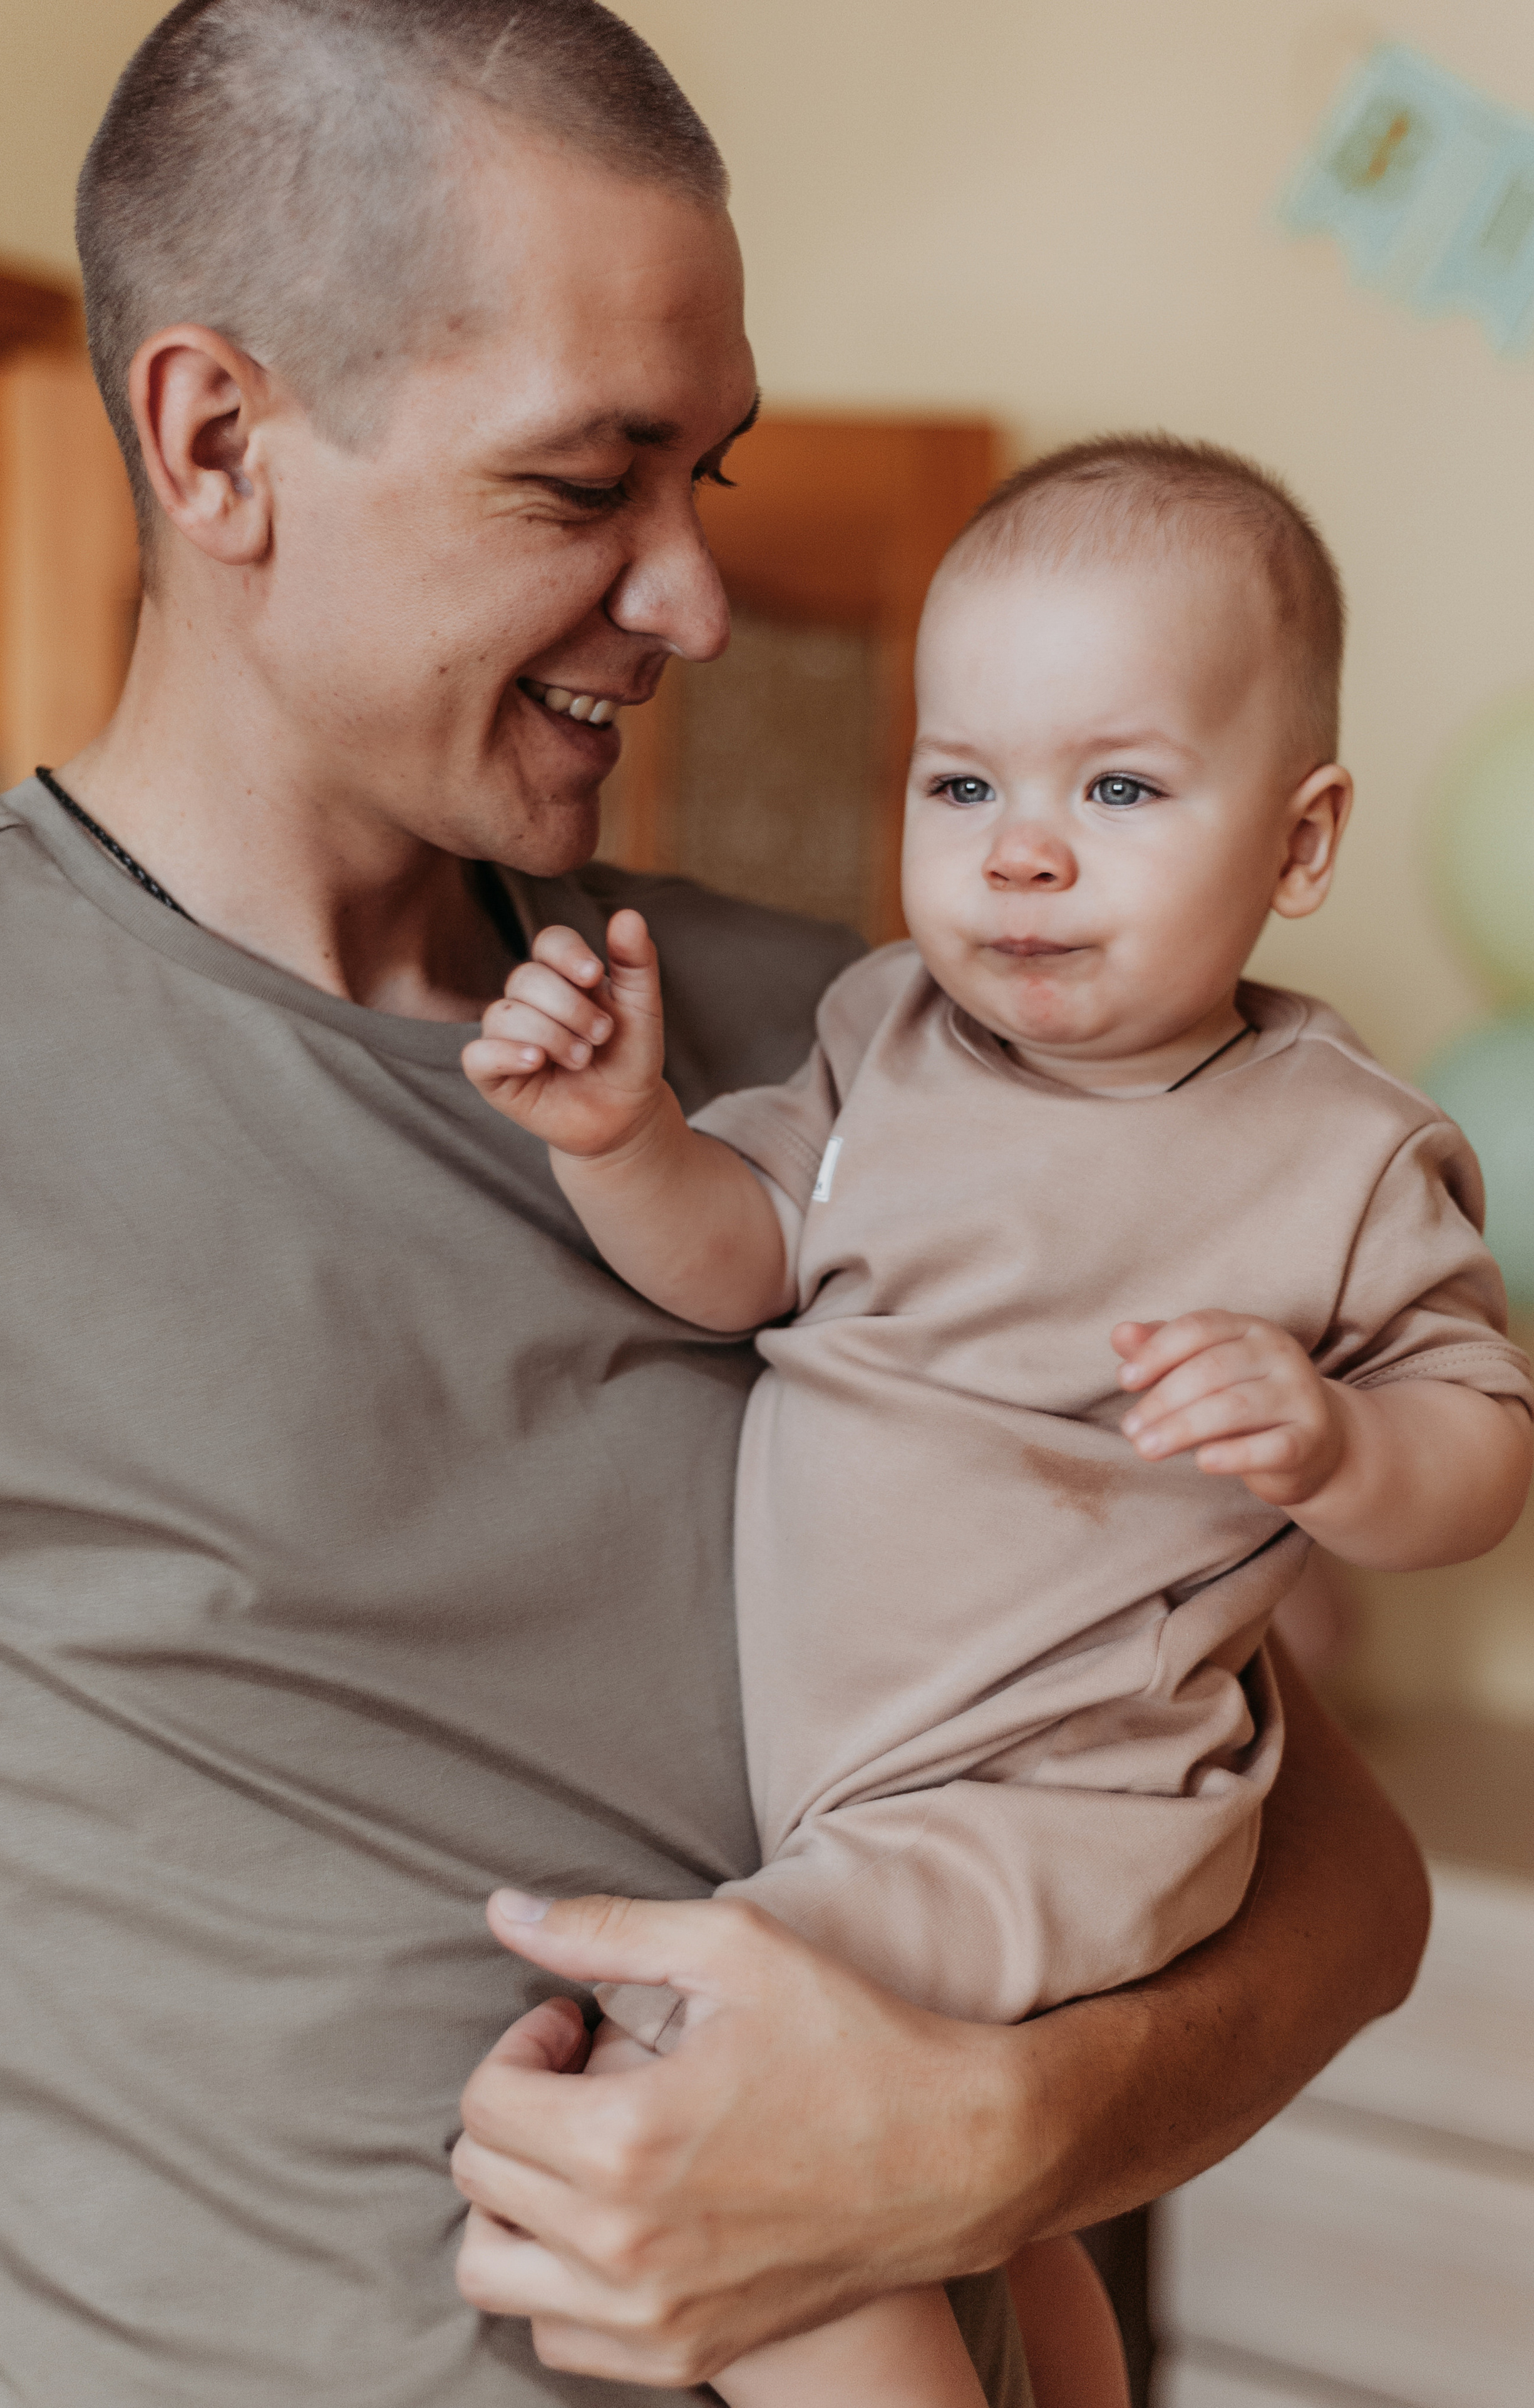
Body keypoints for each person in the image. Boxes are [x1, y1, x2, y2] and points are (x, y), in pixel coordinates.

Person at [0, 6, 1429, 2405]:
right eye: (586, 482)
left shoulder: (877, 1053)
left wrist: (981, 2141)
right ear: (221, 443)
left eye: (710, 476)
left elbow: (1346, 1891)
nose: (698, 598)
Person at [461, 434, 1531, 2405]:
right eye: (965, 787)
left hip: (1061, 1799)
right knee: (991, 2217)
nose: (1020, 851)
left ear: (1299, 846)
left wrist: (1335, 1446)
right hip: (879, 1797)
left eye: (1117, 789)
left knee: (701, 2091)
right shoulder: (881, 1039)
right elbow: (743, 1255)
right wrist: (624, 1142)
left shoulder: (1339, 1151)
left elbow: (1481, 1449)